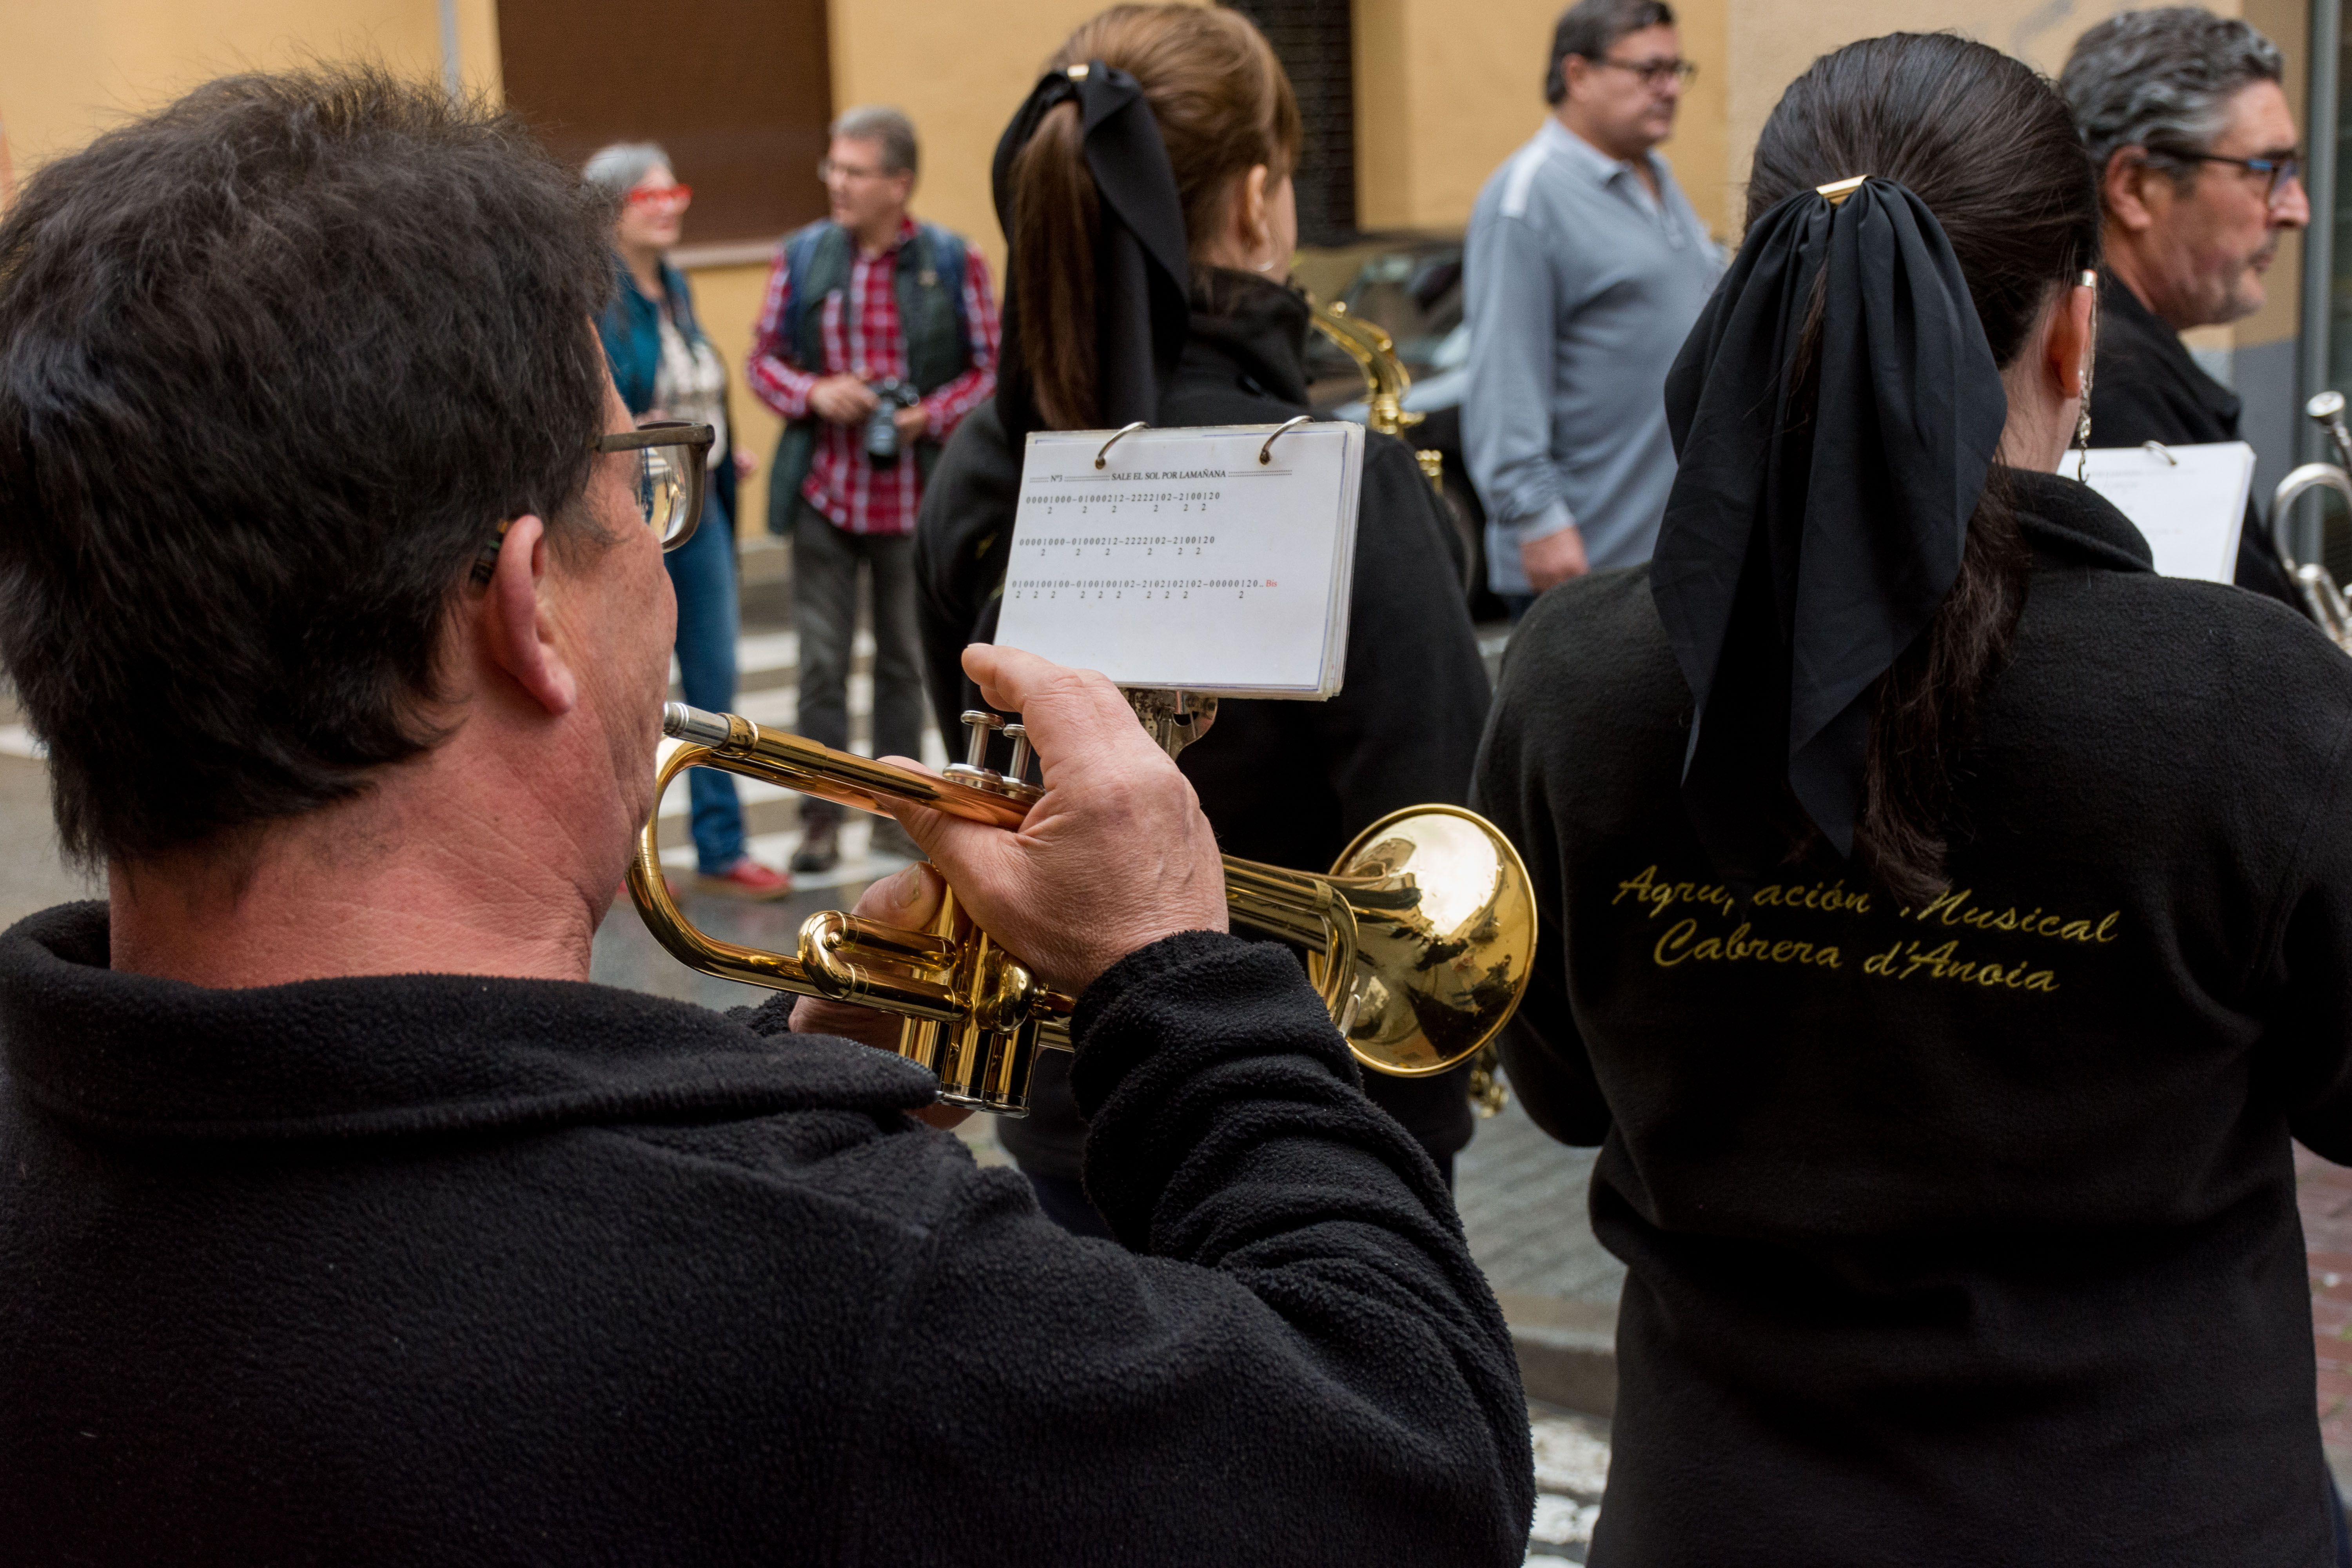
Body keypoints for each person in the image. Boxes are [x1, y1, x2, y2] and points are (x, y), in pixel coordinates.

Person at [0, 68, 1539, 1564]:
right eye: (649, 494)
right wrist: (1181, 980)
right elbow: (1420, 1458)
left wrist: (765, 1088)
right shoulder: (852, 1296)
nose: (667, 570)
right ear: (531, 610)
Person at [1474, 31, 2352, 1564]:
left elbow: (1557, 1087)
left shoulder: (1571, 677)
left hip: (1718, 1517)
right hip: (2163, 1516)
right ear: (2076, 339)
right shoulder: (2248, 694)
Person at [915, 4, 1494, 1238]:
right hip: (1301, 1136)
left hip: (1068, 1118)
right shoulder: (1340, 482)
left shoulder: (979, 466)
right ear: (1255, 199)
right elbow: (1435, 832)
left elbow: (987, 790)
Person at [747, 106, 998, 875]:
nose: (838, 183)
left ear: (900, 183)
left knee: (905, 665)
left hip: (914, 500)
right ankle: (819, 818)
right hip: (826, 491)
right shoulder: (804, 255)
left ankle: (897, 815)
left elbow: (992, 371)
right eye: (834, 167)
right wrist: (817, 393)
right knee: (821, 666)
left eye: (856, 171)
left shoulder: (956, 261)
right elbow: (763, 360)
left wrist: (930, 414)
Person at [1461, 0, 1719, 617]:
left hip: (1668, 555)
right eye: (1649, 70)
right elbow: (1504, 378)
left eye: (1677, 70)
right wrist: (1537, 517)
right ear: (1577, 75)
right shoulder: (1527, 199)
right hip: (1583, 562)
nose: (1669, 89)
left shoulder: (1657, 177)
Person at [586, 141, 789, 899]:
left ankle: (720, 846)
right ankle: (618, 857)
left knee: (714, 684)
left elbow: (698, 392)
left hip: (700, 508)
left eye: (677, 192)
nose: (671, 206)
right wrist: (651, 431)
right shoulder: (599, 299)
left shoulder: (675, 286)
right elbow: (600, 411)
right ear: (611, 210)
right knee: (631, 684)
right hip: (633, 516)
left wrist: (717, 451)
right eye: (650, 197)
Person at [2059, 7, 2308, 612]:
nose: (2296, 209)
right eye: (2268, 171)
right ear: (2135, 186)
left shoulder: (2099, 351)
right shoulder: (2105, 384)